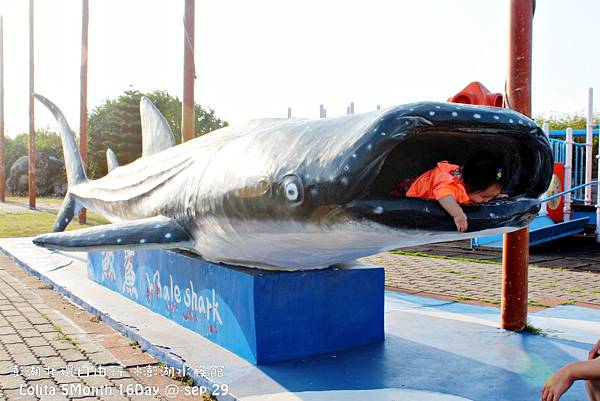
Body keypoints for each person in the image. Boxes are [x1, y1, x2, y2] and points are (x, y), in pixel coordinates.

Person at [400, 152, 504, 232]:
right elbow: (445, 198)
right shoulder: (451, 185)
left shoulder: (472, 183)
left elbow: (487, 191)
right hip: (410, 190)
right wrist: (458, 214)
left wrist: (495, 197)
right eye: (484, 196)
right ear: (469, 185)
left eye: (492, 196)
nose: (487, 200)